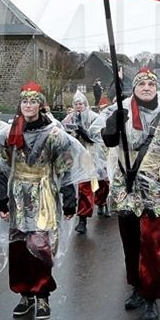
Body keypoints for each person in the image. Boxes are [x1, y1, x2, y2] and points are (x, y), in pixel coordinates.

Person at [92, 67, 160, 320]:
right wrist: (113, 124)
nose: (147, 87)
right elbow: (105, 140)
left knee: (151, 242)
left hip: (156, 185)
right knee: (130, 241)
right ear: (134, 88)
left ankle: (151, 295)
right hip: (126, 183)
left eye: (151, 84)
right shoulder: (121, 110)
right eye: (142, 84)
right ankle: (136, 286)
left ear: (156, 88)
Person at [0, 82, 88, 320]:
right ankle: (24, 294)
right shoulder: (9, 133)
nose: (29, 105)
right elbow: (0, 168)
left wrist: (70, 198)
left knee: (41, 244)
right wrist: (1, 201)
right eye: (24, 102)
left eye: (33, 101)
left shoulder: (54, 134)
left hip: (43, 192)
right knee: (19, 246)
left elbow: (65, 167)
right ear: (20, 106)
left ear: (41, 105)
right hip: (18, 194)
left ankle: (42, 295)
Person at [63, 90, 108, 233]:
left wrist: (84, 132)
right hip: (79, 157)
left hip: (93, 154)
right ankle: (82, 218)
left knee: (101, 183)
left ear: (85, 104)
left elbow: (96, 137)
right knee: (84, 187)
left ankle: (101, 202)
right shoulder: (69, 118)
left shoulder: (95, 117)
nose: (78, 106)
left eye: (80, 103)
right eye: (75, 104)